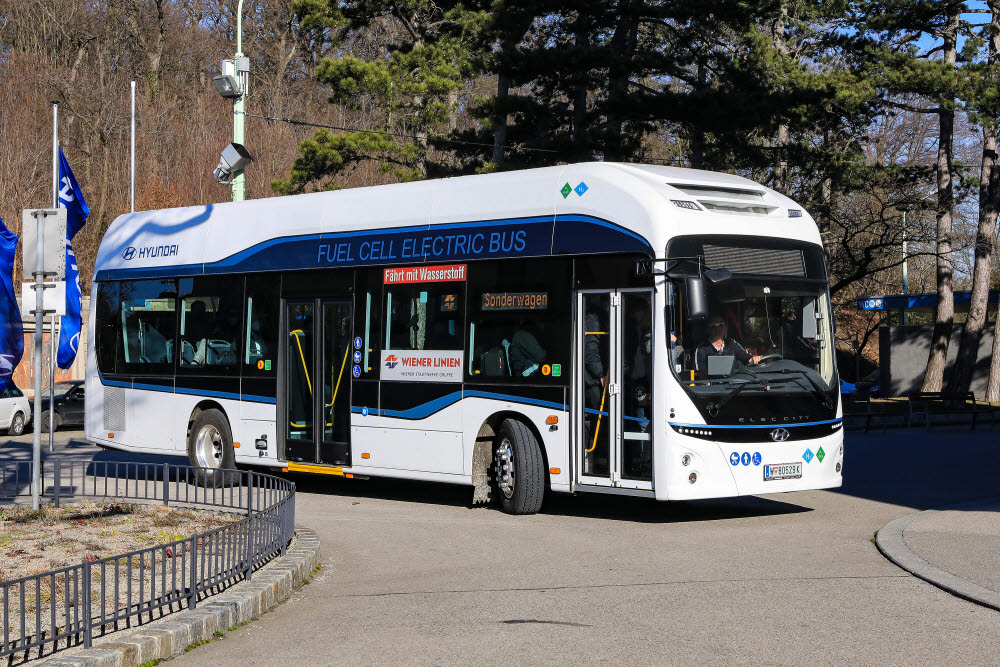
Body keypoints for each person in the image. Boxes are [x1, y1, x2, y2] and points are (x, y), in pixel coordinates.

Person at [695, 314, 761, 373]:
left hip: (734, 385)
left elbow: (746, 357)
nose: (718, 328)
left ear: (725, 328)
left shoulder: (731, 344)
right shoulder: (701, 349)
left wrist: (753, 358)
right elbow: (700, 378)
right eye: (713, 326)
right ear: (708, 329)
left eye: (721, 325)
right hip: (712, 386)